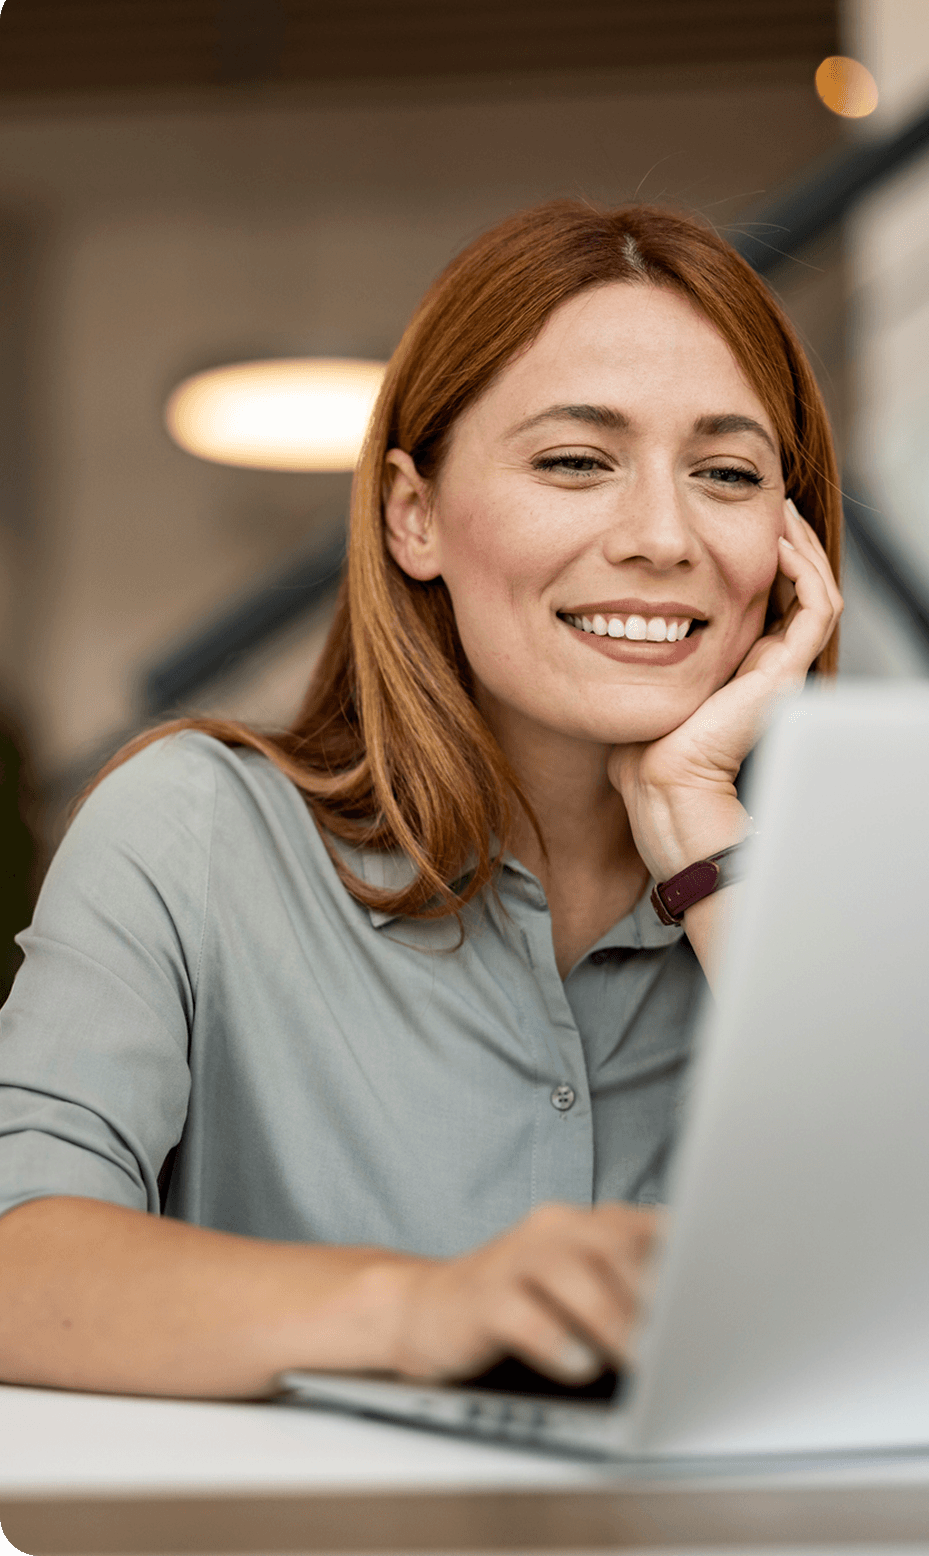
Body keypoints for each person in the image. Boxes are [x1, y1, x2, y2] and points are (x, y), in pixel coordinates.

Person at [0, 200, 842, 1400]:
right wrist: (425, 1307)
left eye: (725, 473)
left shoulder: (834, 891)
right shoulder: (193, 833)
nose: (664, 535)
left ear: (790, 542)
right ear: (415, 515)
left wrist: (705, 831)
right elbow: (17, 1260)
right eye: (574, 461)